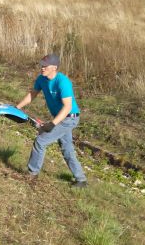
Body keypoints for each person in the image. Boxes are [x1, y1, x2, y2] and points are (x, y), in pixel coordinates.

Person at [16, 53, 87, 188]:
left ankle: (32, 174)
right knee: (67, 149)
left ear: (54, 67)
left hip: (69, 118)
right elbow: (32, 94)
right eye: (41, 65)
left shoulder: (63, 81)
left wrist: (52, 124)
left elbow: (67, 107)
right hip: (60, 118)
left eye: (45, 66)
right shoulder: (41, 79)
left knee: (40, 141)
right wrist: (17, 107)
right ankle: (81, 180)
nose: (42, 68)